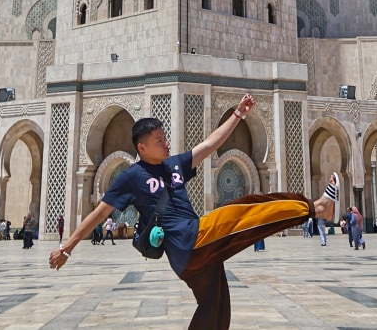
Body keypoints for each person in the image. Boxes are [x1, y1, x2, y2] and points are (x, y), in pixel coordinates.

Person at [49, 94, 339, 330]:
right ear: (142, 146)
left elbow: (211, 144)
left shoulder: (175, 164)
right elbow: (99, 214)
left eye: (165, 138)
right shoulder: (131, 176)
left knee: (215, 310)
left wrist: (238, 114)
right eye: (159, 141)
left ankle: (314, 207)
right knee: (242, 210)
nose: (166, 143)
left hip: (195, 257)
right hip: (189, 241)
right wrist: (68, 246)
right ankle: (317, 207)